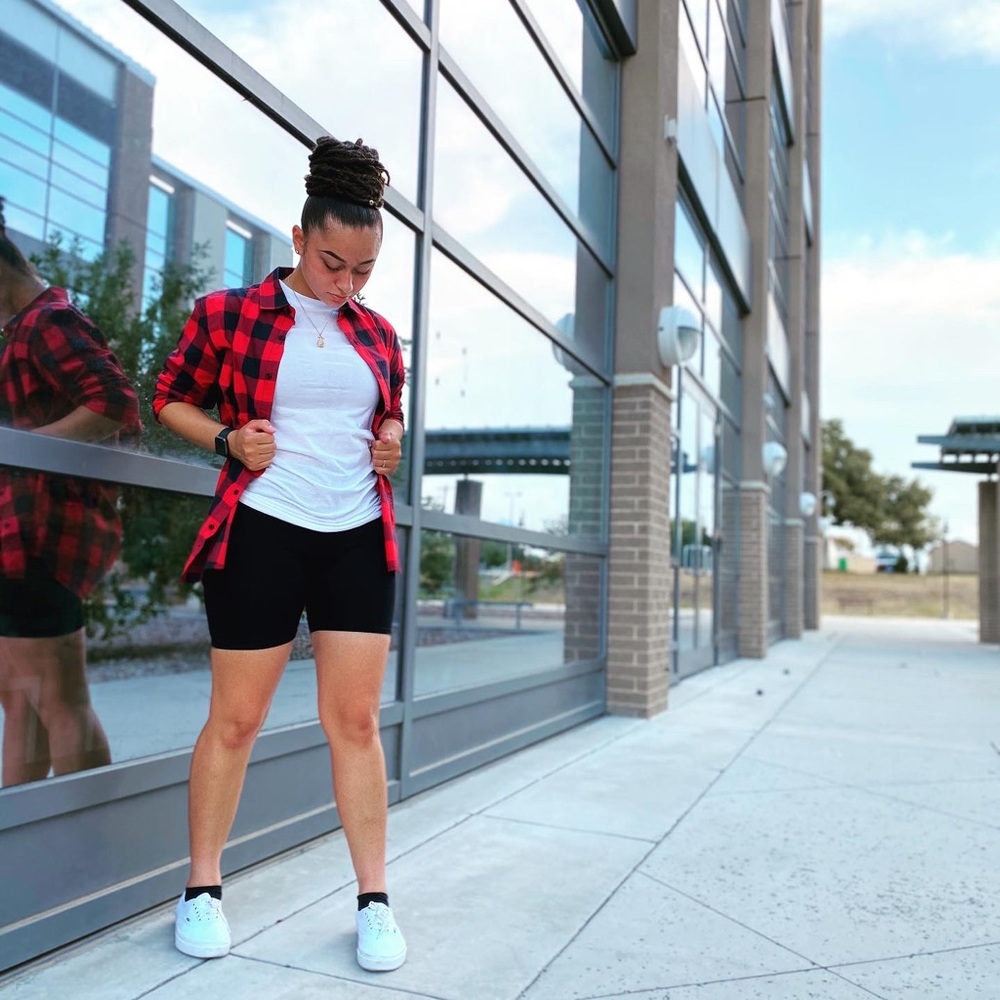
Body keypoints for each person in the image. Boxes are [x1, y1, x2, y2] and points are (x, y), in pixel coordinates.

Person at [153, 137, 406, 971]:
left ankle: (374, 902)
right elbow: (169, 399)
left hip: (355, 536)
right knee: (237, 720)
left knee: (356, 723)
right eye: (333, 264)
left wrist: (391, 437)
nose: (346, 284)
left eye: (363, 270)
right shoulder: (229, 314)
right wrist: (227, 439)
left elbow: (385, 412)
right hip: (262, 527)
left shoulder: (379, 334)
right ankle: (201, 888)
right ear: (299, 239)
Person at [0, 198, 141, 786]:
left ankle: (92, 840)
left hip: (41, 542)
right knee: (22, 705)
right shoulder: (19, 329)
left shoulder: (48, 321)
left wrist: (22, 451)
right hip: (15, 541)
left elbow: (115, 402)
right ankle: (24, 838)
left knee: (60, 704)